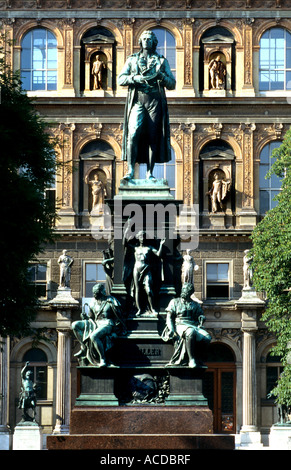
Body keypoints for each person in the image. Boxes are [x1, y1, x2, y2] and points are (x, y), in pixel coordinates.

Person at [118, 30, 176, 181]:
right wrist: (135, 78)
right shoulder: (132, 60)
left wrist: (161, 76)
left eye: (150, 39)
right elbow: (121, 79)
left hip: (155, 101)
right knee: (133, 133)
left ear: (154, 42)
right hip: (138, 100)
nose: (147, 41)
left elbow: (172, 84)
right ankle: (130, 170)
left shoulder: (162, 61)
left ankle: (150, 173)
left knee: (153, 136)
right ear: (140, 42)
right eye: (144, 38)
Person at [72, 283, 125, 367]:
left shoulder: (111, 300)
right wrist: (85, 317)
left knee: (93, 336)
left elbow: (119, 317)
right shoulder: (93, 303)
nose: (94, 295)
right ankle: (84, 347)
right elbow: (91, 317)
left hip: (107, 324)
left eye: (96, 292)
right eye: (94, 293)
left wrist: (116, 330)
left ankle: (102, 358)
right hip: (95, 323)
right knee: (74, 325)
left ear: (101, 292)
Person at [162, 283, 211, 368]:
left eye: (186, 290)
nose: (183, 291)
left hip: (193, 325)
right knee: (190, 332)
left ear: (190, 292)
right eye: (183, 289)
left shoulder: (195, 304)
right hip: (180, 324)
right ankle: (191, 360)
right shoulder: (174, 302)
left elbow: (200, 315)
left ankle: (198, 358)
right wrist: (171, 329)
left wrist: (202, 318)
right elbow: (169, 317)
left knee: (207, 337)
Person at [123, 229, 165, 316]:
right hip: (136, 269)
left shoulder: (149, 248)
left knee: (149, 290)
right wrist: (126, 233)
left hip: (146, 270)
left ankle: (153, 308)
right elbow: (124, 244)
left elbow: (158, 255)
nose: (142, 238)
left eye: (144, 236)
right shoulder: (135, 248)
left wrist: (161, 245)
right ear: (138, 237)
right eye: (141, 236)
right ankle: (139, 309)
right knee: (137, 290)